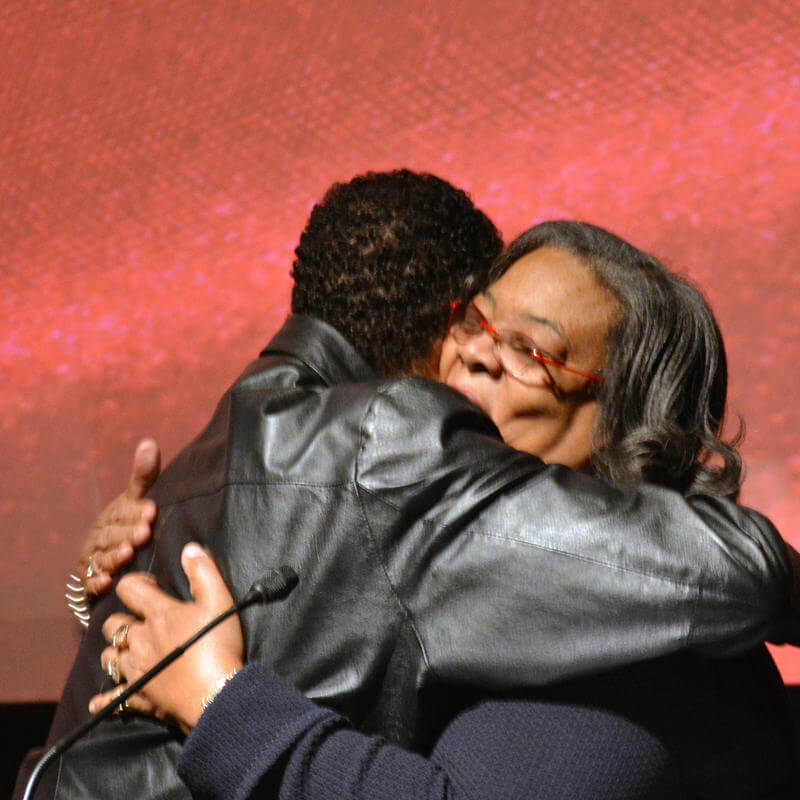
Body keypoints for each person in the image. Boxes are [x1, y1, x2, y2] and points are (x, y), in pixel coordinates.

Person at [30, 182, 799, 798]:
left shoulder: (638, 632)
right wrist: (97, 587)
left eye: (533, 350)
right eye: (477, 323)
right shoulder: (447, 551)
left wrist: (224, 706)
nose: (476, 357)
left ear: (626, 428)